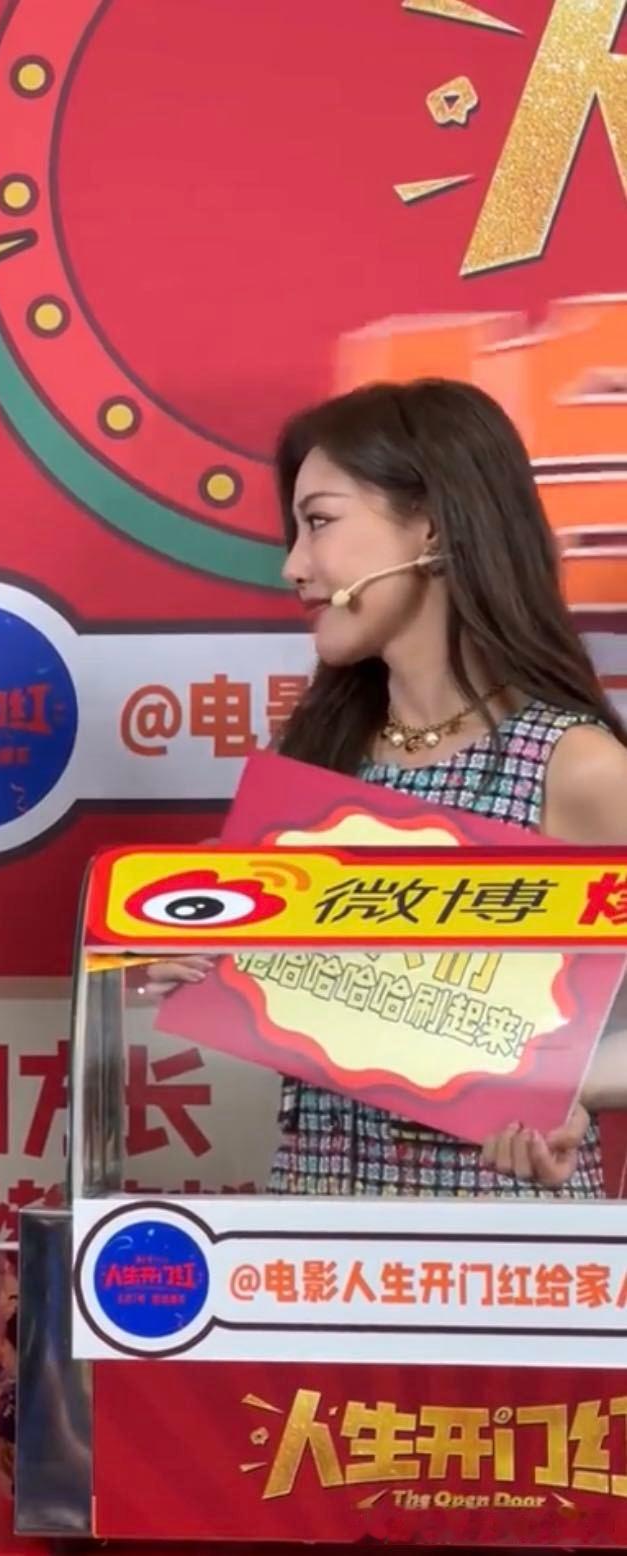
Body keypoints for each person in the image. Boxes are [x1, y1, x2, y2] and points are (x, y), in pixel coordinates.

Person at [144, 378, 627, 1195]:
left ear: (430, 526)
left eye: (319, 522)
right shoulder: (312, 767)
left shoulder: (573, 766)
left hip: (499, 1245)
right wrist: (192, 945)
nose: (294, 566)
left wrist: (562, 1092)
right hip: (308, 1234)